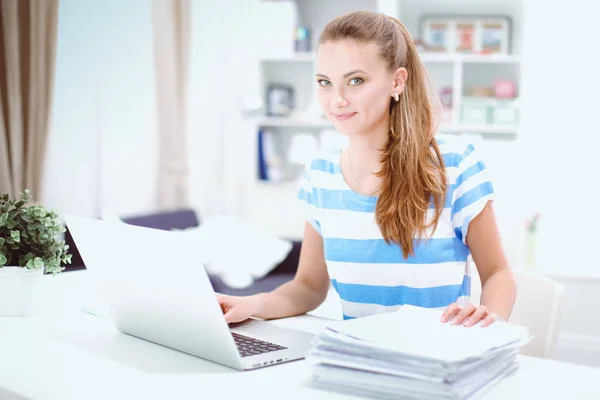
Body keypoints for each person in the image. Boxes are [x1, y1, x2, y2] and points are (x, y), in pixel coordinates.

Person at [218, 11, 516, 328]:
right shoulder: (320, 175)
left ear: (397, 81)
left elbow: (498, 272)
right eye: (325, 83)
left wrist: (490, 321)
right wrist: (248, 304)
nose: (337, 100)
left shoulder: (455, 164)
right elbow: (307, 287)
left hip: (438, 363)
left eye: (355, 80)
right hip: (356, 362)